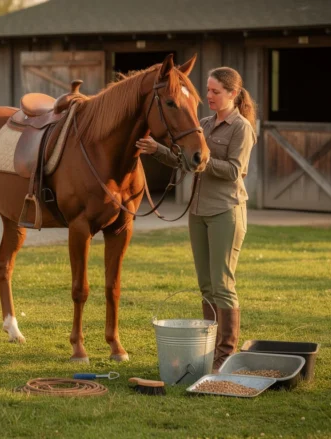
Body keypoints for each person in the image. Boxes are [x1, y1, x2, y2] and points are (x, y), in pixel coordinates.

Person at [136, 66, 257, 371]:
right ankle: (210, 348)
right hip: (198, 212)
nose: (209, 96)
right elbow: (184, 160)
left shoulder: (241, 128)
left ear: (232, 93)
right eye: (208, 90)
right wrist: (157, 150)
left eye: (216, 91)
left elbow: (234, 171)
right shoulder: (203, 123)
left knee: (222, 284)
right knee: (205, 286)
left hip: (226, 211)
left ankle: (225, 355)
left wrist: (203, 160)